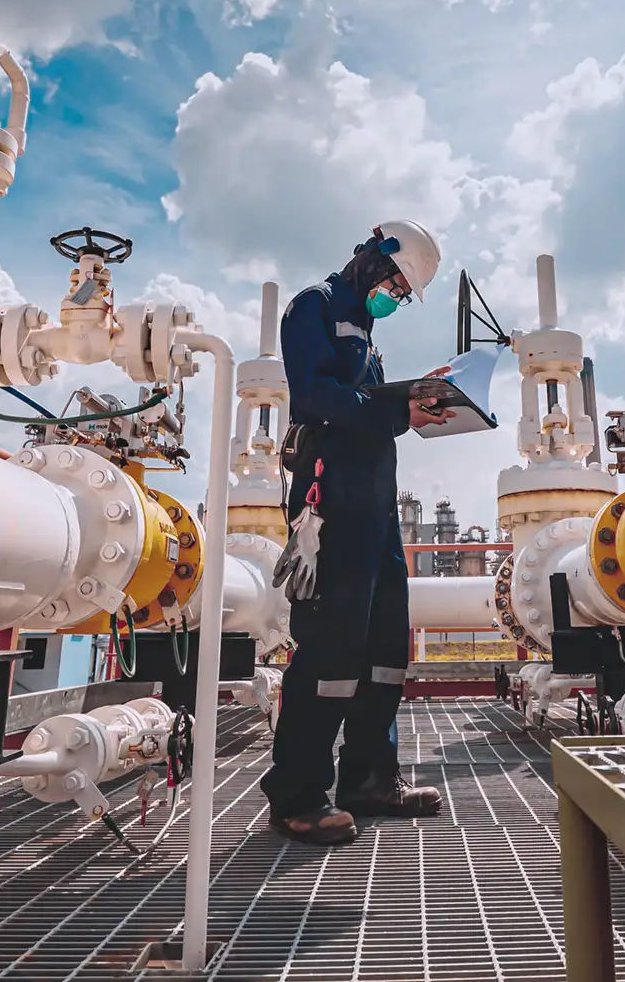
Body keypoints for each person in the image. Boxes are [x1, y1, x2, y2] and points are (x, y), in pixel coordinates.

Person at [260, 219, 453, 845]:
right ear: (374, 260)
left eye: (402, 294)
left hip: (375, 508)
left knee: (383, 650)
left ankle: (370, 778)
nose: (393, 300)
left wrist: (416, 396)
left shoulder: (366, 335)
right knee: (330, 650)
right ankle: (297, 793)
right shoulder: (312, 307)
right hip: (330, 498)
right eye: (395, 286)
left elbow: (368, 405)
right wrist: (399, 406)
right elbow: (317, 397)